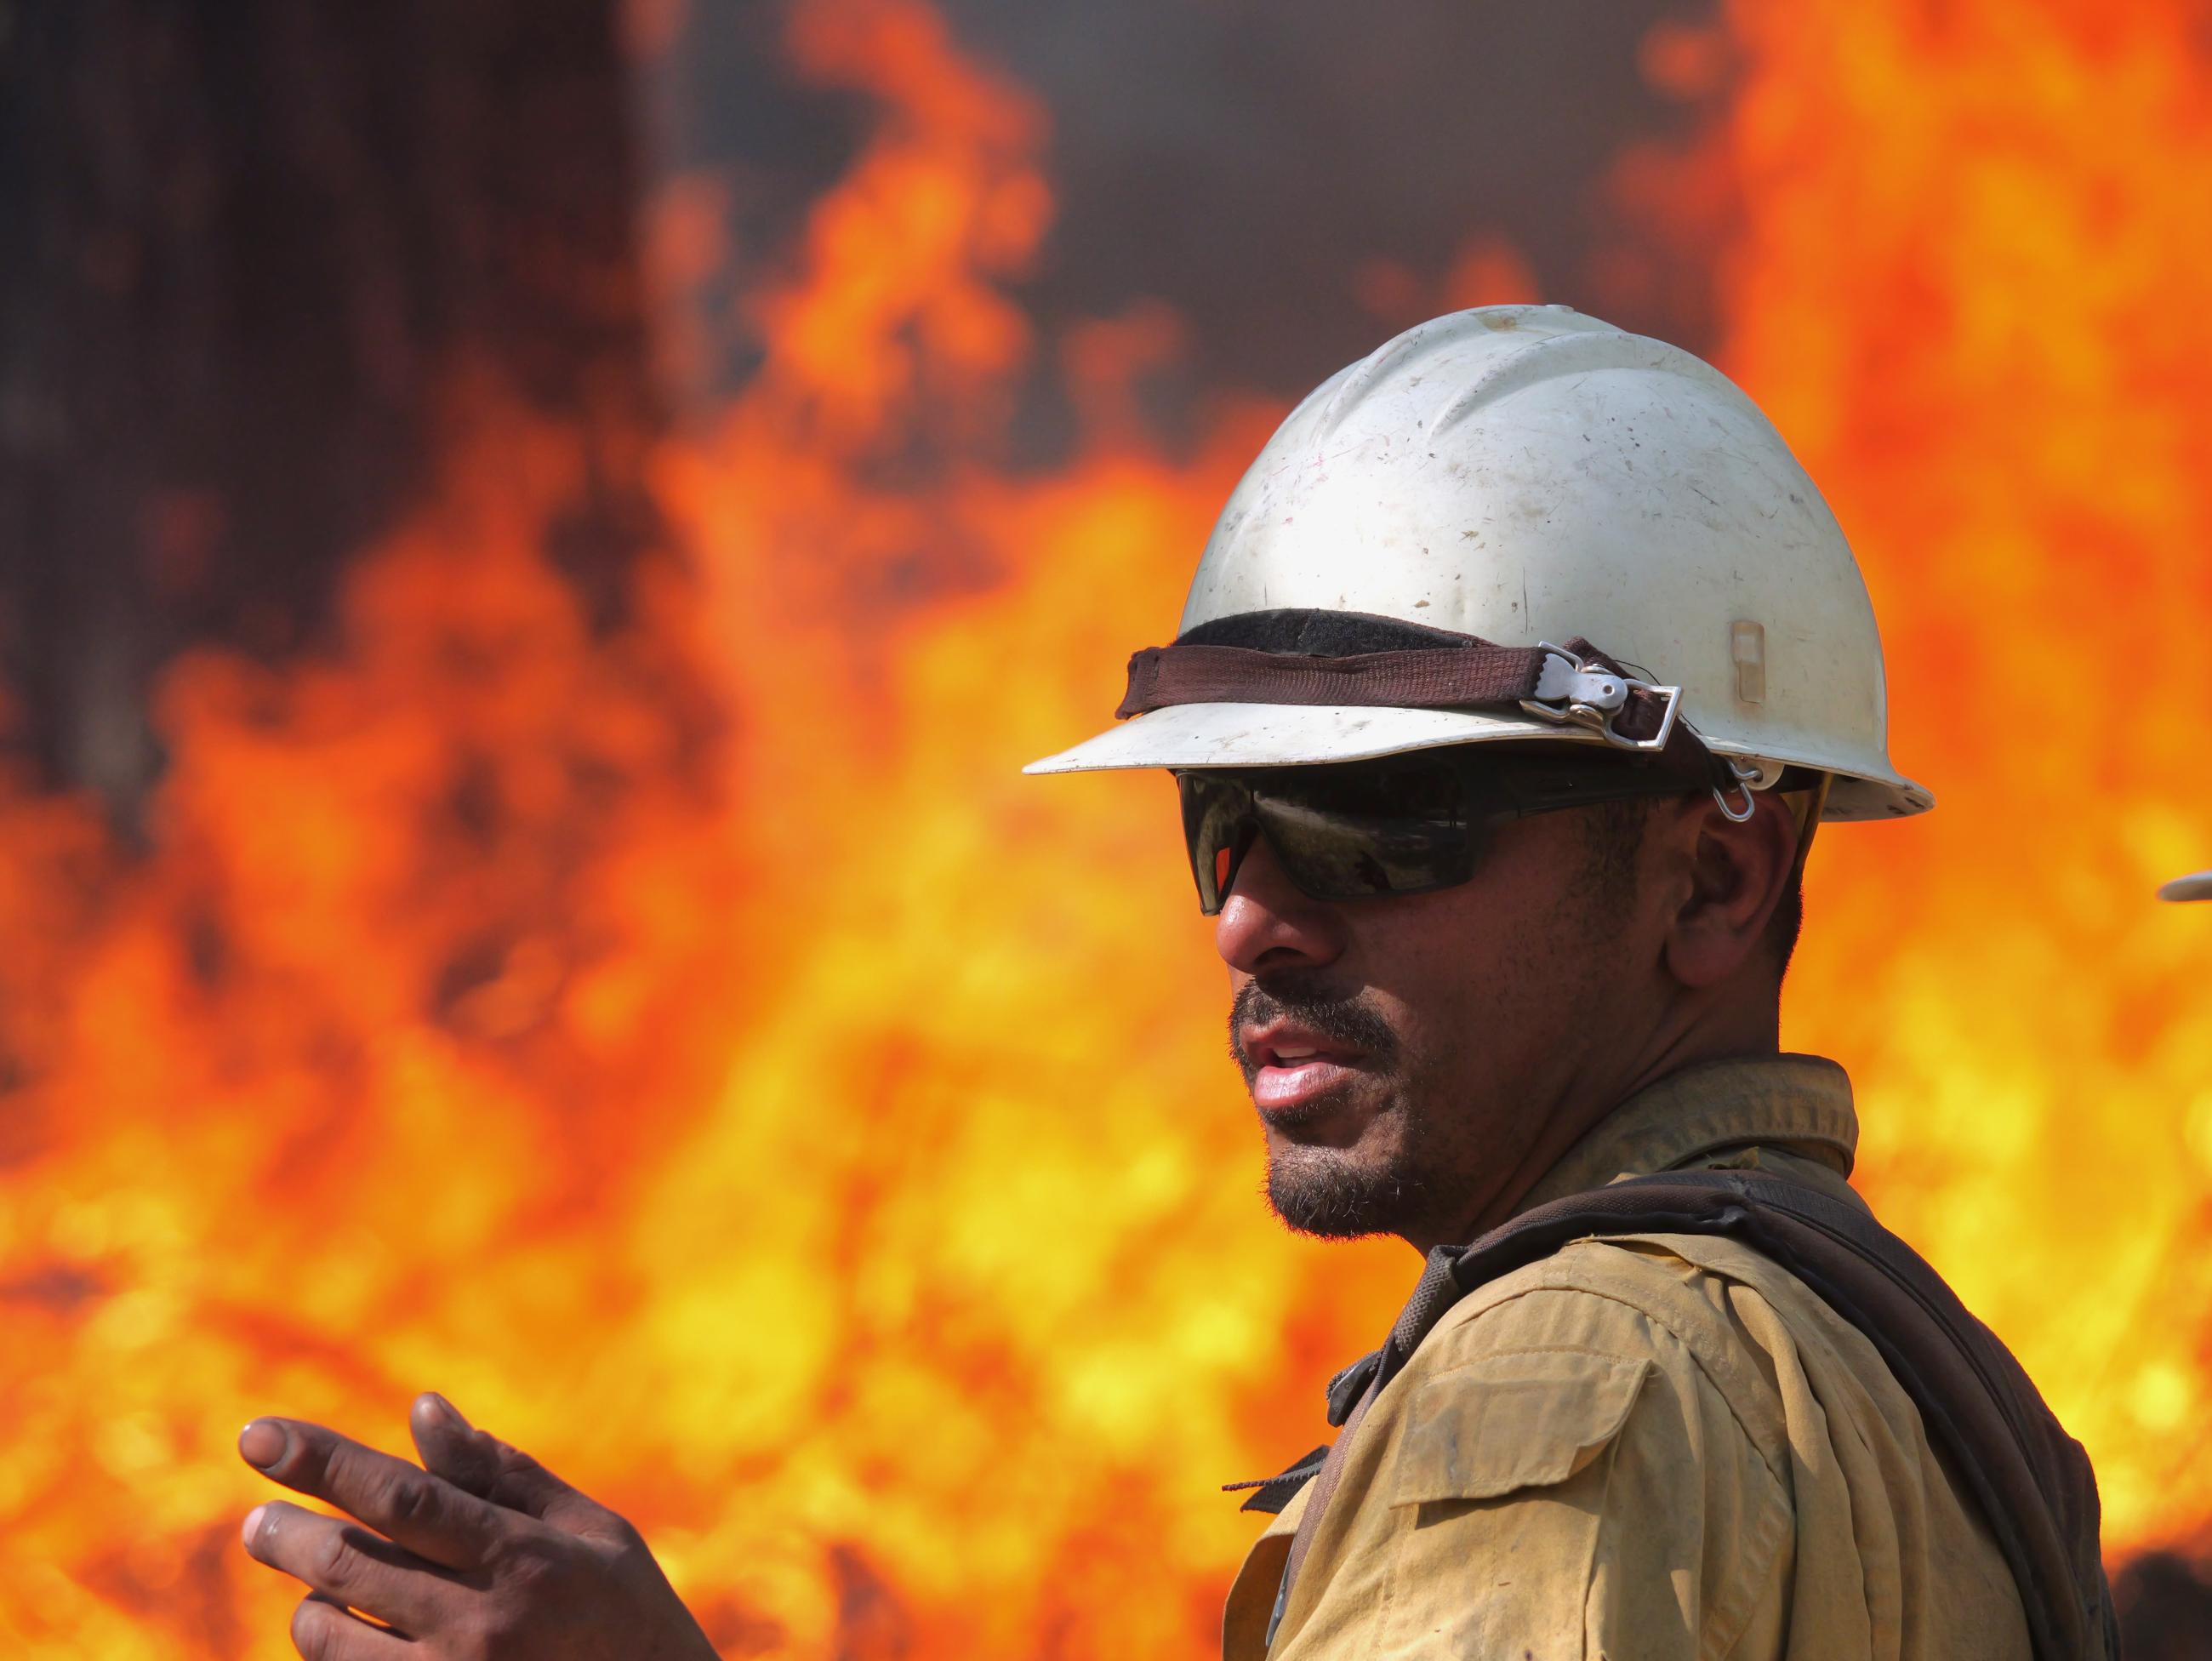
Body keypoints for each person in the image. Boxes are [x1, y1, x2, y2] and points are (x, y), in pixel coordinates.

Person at [235, 307, 2102, 1658]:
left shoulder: (1570, 1380)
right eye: (1227, 825)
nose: (1250, 923)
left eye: (1383, 829)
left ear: (1712, 873)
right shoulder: (1896, 1370)